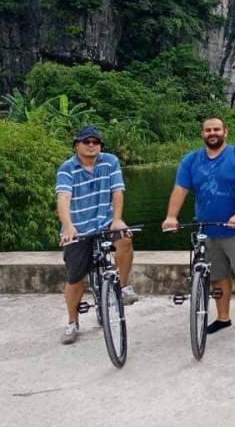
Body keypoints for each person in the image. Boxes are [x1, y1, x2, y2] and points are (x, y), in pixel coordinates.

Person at [161, 118, 235, 338]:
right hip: (207, 231)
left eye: (216, 129)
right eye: (208, 130)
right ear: (202, 134)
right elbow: (180, 189)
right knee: (217, 276)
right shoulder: (191, 160)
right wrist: (171, 216)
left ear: (225, 132)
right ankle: (223, 317)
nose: (212, 133)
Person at [56, 125, 137, 345]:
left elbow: (117, 191)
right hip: (78, 227)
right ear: (76, 145)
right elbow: (63, 198)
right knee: (75, 279)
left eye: (95, 142)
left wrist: (117, 219)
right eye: (86, 142)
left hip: (105, 221)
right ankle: (72, 322)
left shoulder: (109, 161)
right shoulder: (67, 168)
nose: (91, 145)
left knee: (125, 238)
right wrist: (69, 227)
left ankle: (121, 286)